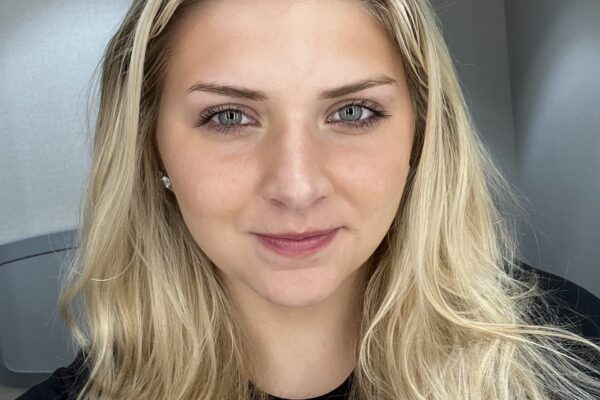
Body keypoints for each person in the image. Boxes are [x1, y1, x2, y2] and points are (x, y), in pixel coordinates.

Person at [16, 0, 600, 399]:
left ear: (421, 138)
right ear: (151, 148)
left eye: (352, 112)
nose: (296, 187)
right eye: (228, 116)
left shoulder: (574, 356)